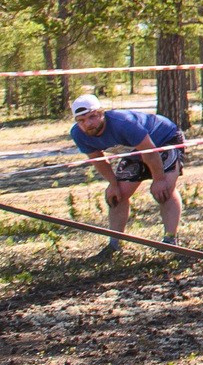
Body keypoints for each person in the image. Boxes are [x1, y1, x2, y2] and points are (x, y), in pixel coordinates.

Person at [67, 93, 186, 259]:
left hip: (163, 140)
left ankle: (170, 241)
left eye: (92, 117)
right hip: (134, 150)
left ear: (102, 113)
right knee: (117, 196)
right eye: (81, 120)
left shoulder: (123, 123)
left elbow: (150, 152)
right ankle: (114, 245)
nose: (88, 124)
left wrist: (158, 180)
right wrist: (113, 184)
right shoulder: (78, 134)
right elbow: (98, 159)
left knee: (163, 191)